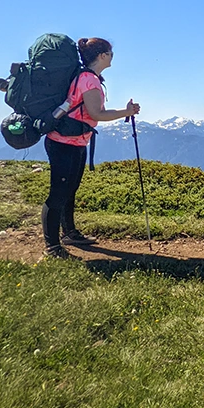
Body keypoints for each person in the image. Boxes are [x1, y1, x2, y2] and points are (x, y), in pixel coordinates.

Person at [42, 38, 139, 259]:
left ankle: (69, 233)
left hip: (72, 140)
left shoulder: (86, 77)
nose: (112, 56)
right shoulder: (89, 80)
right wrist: (127, 112)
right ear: (102, 55)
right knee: (58, 193)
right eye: (110, 53)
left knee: (69, 190)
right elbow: (97, 114)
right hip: (65, 143)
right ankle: (52, 247)